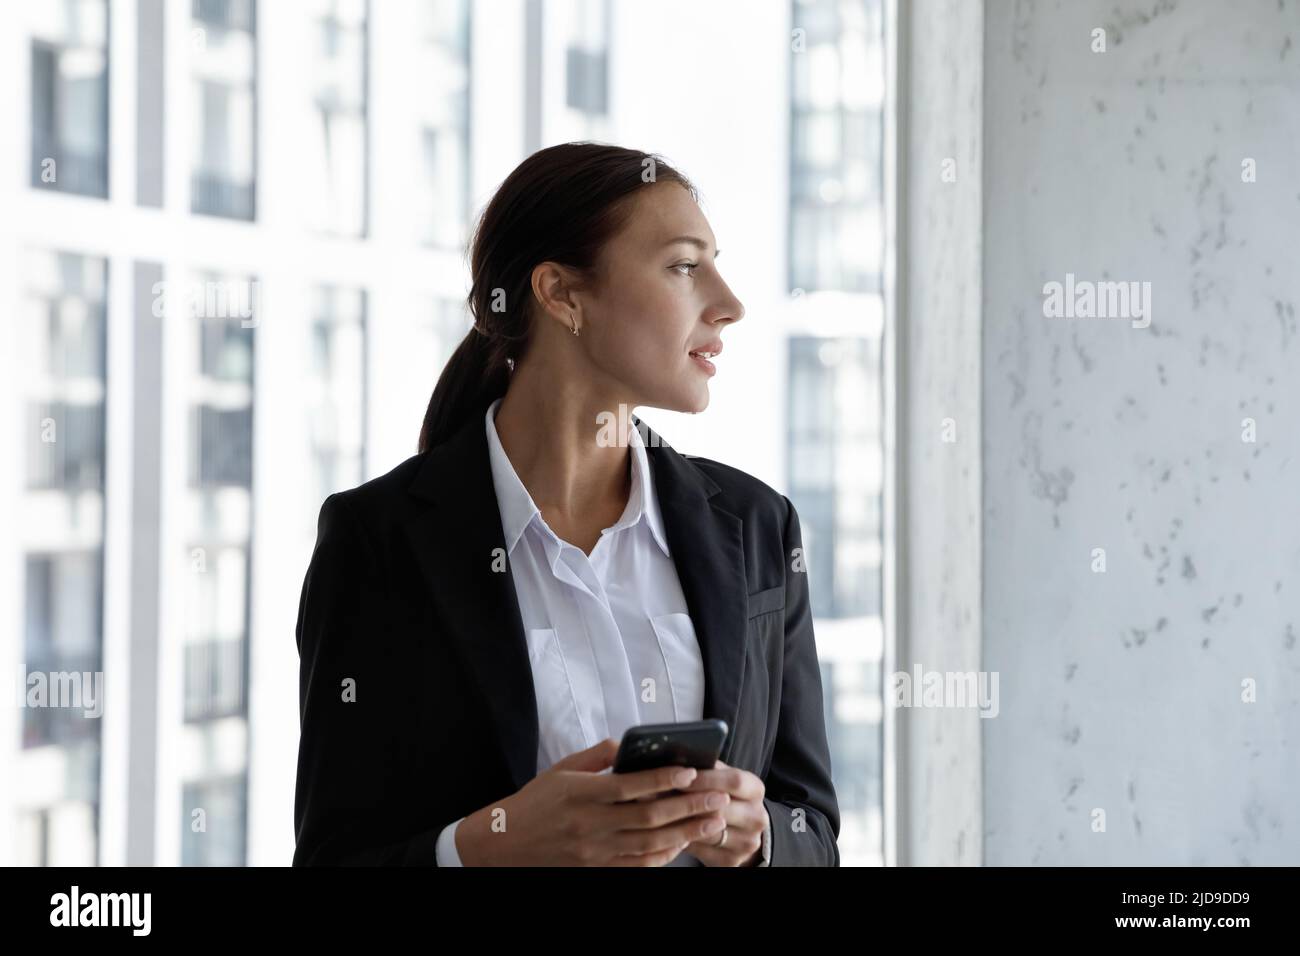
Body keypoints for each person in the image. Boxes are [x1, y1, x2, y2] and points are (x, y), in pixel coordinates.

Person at [292, 142, 839, 866]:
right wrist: (490, 844)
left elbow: (818, 833)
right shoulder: (379, 543)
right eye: (683, 266)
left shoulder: (760, 526)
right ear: (561, 294)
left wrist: (760, 833)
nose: (729, 304)